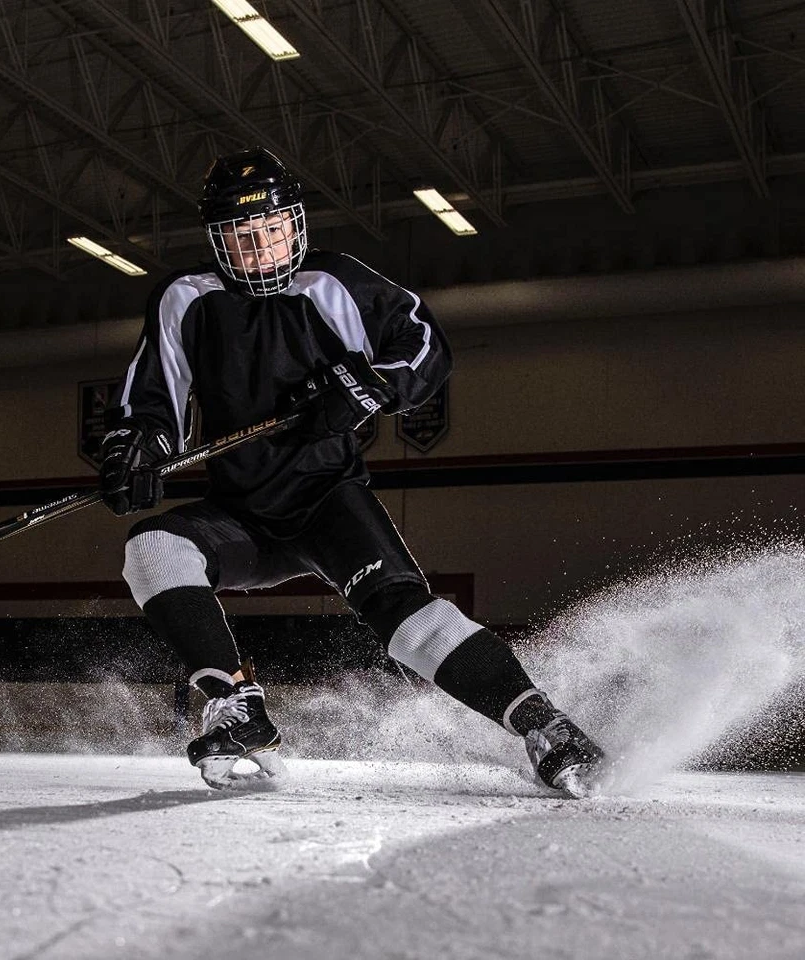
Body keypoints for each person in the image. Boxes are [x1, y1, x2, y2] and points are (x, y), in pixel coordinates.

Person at [99, 146, 606, 795]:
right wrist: (136, 448)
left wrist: (366, 385)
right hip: (240, 514)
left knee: (407, 618)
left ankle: (547, 727)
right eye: (242, 235)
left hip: (327, 498)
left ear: (295, 224)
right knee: (151, 548)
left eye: (271, 229)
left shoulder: (334, 282)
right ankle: (238, 705)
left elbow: (425, 345)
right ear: (217, 240)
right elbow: (152, 396)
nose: (260, 247)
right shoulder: (186, 298)